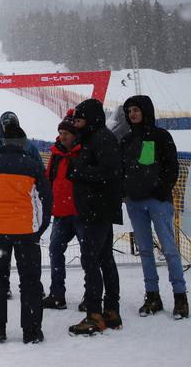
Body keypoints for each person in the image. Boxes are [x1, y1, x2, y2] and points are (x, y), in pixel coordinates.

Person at [0, 122, 52, 344]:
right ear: (23, 143)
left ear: (3, 142)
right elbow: (47, 197)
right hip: (27, 232)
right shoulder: (33, 166)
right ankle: (32, 331)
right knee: (30, 280)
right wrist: (40, 228)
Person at [120, 95, 188, 319]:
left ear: (146, 111)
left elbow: (171, 166)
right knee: (146, 252)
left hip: (158, 202)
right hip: (135, 203)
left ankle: (180, 297)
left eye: (136, 110)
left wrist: (160, 190)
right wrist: (125, 192)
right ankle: (153, 296)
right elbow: (121, 170)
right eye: (129, 111)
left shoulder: (161, 136)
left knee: (169, 249)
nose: (132, 114)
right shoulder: (127, 139)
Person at [67, 99, 123, 335]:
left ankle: (95, 314)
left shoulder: (101, 139)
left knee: (92, 260)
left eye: (79, 121)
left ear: (90, 120)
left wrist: (80, 172)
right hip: (97, 208)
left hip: (97, 210)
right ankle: (110, 311)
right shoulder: (94, 138)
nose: (76, 125)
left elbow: (111, 171)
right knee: (103, 259)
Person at [0, 111, 45, 300]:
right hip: (12, 211)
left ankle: (25, 286)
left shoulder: (24, 146)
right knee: (18, 256)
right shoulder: (2, 146)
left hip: (16, 211)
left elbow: (40, 173)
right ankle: (18, 286)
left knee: (9, 256)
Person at [42, 109, 85, 310]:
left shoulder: (83, 152)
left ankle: (91, 296)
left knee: (89, 255)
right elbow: (49, 179)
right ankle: (57, 294)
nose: (62, 136)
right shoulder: (56, 154)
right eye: (60, 133)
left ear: (74, 135)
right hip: (60, 213)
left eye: (66, 133)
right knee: (55, 250)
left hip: (80, 213)